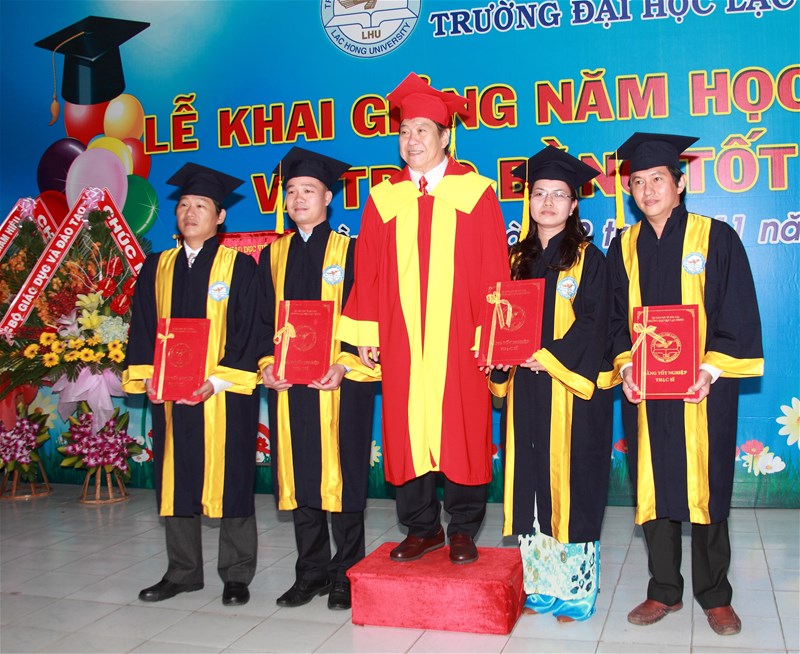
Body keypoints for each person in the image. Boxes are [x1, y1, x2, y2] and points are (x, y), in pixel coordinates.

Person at [337, 72, 510, 564]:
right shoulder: (384, 198)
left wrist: (492, 337)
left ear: (445, 137)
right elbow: (367, 270)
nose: (411, 139)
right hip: (402, 338)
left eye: (422, 130)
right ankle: (421, 527)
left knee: (463, 426)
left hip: (461, 337)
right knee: (405, 427)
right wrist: (367, 332)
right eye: (404, 130)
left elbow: (494, 269)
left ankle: (463, 528)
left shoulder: (476, 193)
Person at [606, 133, 764, 636]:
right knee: (653, 484)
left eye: (658, 179)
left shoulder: (716, 238)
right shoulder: (622, 247)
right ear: (630, 191)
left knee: (706, 486)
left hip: (703, 389)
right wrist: (626, 368)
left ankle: (715, 595)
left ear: (679, 183)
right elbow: (613, 321)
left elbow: (737, 311)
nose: (648, 190)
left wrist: (709, 370)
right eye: (637, 182)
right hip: (646, 390)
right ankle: (664, 589)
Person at [122, 163, 261, 606]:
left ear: (220, 216)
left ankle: (236, 574)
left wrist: (217, 381)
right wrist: (148, 377)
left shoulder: (240, 266)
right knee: (176, 476)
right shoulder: (156, 266)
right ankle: (182, 572)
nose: (190, 212)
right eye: (184, 205)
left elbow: (250, 331)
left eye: (201, 205)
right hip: (171, 394)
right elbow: (143, 328)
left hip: (223, 395)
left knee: (232, 478)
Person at [489, 146, 612, 622]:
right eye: (539, 193)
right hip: (525, 389)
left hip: (569, 392)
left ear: (574, 204)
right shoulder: (514, 259)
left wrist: (549, 357)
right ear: (529, 200)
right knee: (531, 483)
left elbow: (596, 324)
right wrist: (498, 357)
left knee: (572, 485)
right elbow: (498, 318)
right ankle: (540, 583)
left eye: (559, 195)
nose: (547, 203)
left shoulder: (589, 260)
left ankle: (577, 588)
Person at [257, 147, 377, 611]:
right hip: (290, 387)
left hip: (341, 384)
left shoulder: (353, 251)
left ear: (329, 196)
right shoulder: (271, 256)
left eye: (309, 190)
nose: (299, 198)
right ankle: (310, 572)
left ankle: (346, 573)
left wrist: (344, 363)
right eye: (291, 191)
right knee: (301, 476)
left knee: (343, 478)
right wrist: (266, 365)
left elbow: (368, 319)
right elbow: (259, 324)